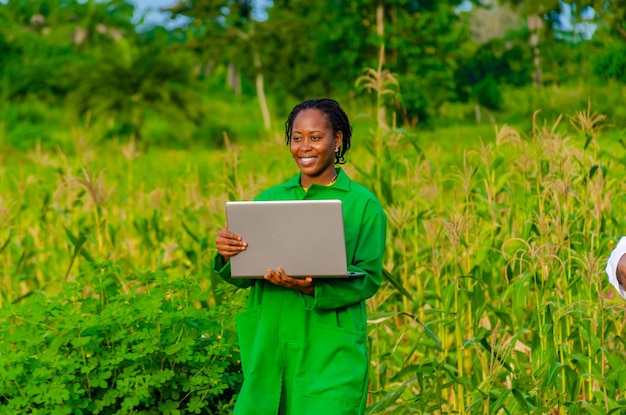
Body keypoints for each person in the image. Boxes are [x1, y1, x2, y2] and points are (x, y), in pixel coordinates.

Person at [213, 98, 387, 415]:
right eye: (297, 138)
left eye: (315, 137)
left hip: (328, 349)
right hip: (271, 341)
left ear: (337, 140)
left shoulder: (363, 205)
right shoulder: (268, 199)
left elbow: (369, 279)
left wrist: (309, 286)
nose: (304, 147)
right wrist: (228, 253)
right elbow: (244, 274)